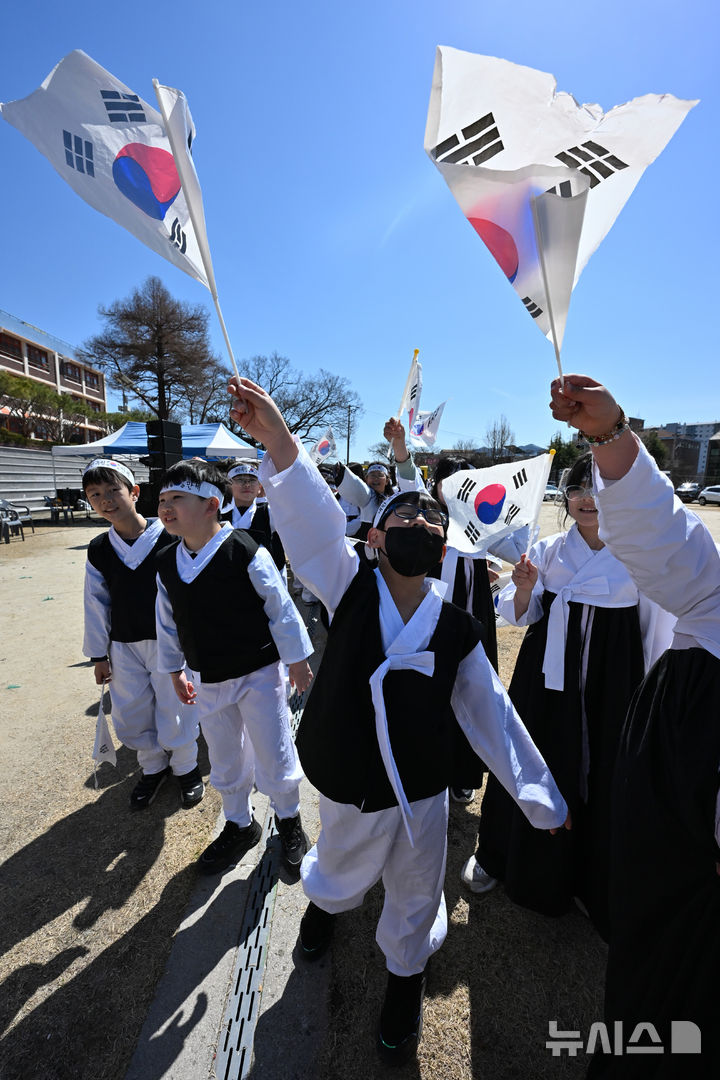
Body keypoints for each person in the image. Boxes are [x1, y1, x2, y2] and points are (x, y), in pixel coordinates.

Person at [227, 375, 569, 1065]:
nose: (421, 525)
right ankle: (325, 905)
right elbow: (314, 525)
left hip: (420, 786)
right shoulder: (347, 585)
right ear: (377, 535)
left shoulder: (457, 627)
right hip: (351, 773)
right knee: (341, 861)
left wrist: (541, 798)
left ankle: (405, 978)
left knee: (416, 890)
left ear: (445, 547)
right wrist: (281, 441)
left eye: (432, 522)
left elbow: (492, 714)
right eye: (406, 516)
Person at [550, 374, 720, 1076]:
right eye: (580, 495)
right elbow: (664, 541)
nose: (586, 506)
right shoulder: (712, 603)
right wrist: (611, 436)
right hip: (682, 903)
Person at [462, 452, 672, 938]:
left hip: (611, 680)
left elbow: (653, 629)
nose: (586, 499)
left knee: (603, 768)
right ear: (565, 497)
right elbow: (522, 614)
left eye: (597, 489)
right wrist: (524, 588)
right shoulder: (550, 549)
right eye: (577, 489)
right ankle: (500, 853)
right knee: (531, 756)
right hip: (545, 679)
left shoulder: (637, 553)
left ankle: (590, 880)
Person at [153, 459, 314, 874]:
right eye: (163, 499)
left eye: (177, 498)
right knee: (224, 754)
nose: (166, 507)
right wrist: (173, 669)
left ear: (211, 504)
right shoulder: (167, 562)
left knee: (273, 748)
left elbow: (280, 607)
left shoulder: (244, 548)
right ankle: (240, 823)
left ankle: (289, 819)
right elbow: (167, 623)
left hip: (258, 672)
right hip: (207, 677)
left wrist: (296, 660)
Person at [82, 458, 204, 811]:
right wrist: (98, 655)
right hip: (123, 644)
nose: (106, 500)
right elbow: (95, 603)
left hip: (170, 642)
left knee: (175, 704)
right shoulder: (99, 549)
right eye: (95, 494)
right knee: (131, 708)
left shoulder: (170, 536)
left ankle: (186, 766)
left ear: (134, 492)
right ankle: (152, 766)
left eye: (113, 490)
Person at [220, 462, 285, 572]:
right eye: (240, 480)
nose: (247, 485)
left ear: (259, 486)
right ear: (228, 485)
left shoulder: (270, 512)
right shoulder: (218, 514)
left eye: (252, 480)